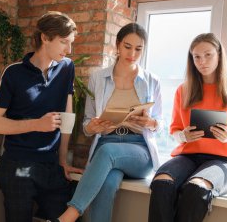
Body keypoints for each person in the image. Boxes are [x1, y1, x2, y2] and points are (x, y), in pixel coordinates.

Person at [48, 23, 163, 222]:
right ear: (118, 45)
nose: (133, 53)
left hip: (139, 151)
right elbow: (87, 123)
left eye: (139, 49)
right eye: (127, 47)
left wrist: (150, 122)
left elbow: (160, 124)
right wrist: (93, 126)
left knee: (108, 152)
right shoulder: (98, 78)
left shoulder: (152, 80)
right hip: (106, 144)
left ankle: (67, 217)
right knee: (106, 186)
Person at [0, 11, 84, 222]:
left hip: (51, 167)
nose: (69, 49)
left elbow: (67, 116)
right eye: (64, 42)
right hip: (17, 164)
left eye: (71, 43)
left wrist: (63, 160)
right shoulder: (12, 73)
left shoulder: (67, 68)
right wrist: (37, 124)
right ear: (45, 38)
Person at [148, 33, 227, 222]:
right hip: (188, 156)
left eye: (208, 55)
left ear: (219, 55)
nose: (202, 61)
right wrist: (184, 136)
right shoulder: (184, 90)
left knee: (196, 188)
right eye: (196, 56)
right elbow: (175, 129)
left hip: (224, 160)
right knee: (161, 182)